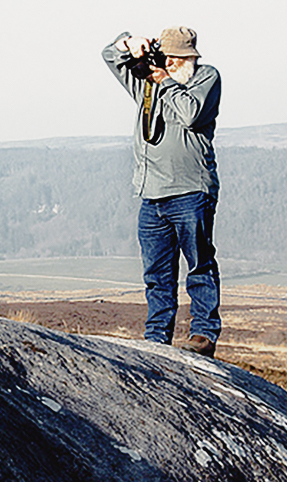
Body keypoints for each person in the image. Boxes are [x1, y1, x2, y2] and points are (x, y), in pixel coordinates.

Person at [102, 26, 222, 357]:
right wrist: (129, 43)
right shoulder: (146, 83)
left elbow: (190, 114)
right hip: (151, 195)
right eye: (166, 58)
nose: (171, 63)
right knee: (156, 273)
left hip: (190, 191)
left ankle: (203, 334)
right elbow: (109, 56)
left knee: (199, 265)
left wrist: (163, 80)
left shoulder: (205, 78)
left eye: (177, 59)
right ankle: (157, 337)